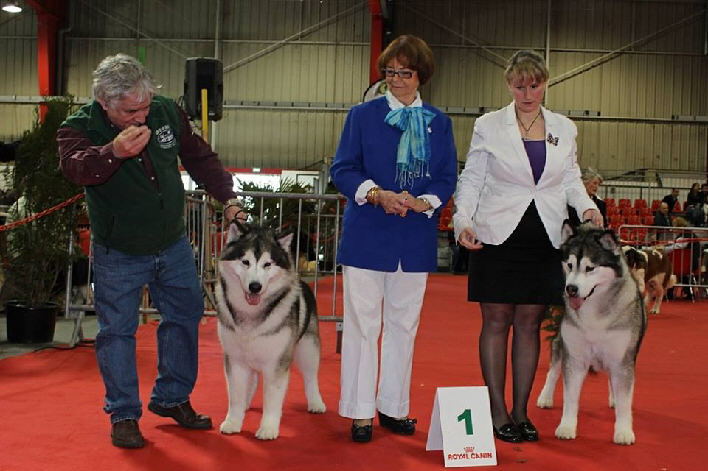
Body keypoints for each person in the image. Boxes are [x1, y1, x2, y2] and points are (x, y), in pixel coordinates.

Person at [57, 54, 245, 449]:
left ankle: (172, 397)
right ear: (104, 103)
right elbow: (75, 169)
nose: (142, 117)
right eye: (130, 111)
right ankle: (124, 413)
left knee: (186, 315)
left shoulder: (164, 112)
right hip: (118, 251)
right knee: (117, 333)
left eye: (145, 106)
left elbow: (199, 157)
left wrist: (228, 197)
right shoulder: (77, 127)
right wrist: (113, 152)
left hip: (173, 243)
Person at [452, 50, 602, 443]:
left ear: (545, 83)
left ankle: (521, 410)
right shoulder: (488, 125)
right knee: (496, 321)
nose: (527, 92)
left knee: (529, 324)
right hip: (497, 234)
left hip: (545, 237)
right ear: (509, 85)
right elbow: (471, 179)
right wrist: (462, 220)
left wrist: (587, 207)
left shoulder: (564, 128)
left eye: (534, 85)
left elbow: (571, 178)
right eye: (519, 85)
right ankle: (497, 410)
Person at [330, 35, 457, 443]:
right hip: (367, 234)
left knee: (404, 326)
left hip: (415, 238)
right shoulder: (362, 115)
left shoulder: (440, 122)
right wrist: (376, 194)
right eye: (390, 72)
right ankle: (360, 411)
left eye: (405, 72)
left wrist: (425, 202)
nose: (397, 80)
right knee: (363, 326)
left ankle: (393, 407)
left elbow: (446, 176)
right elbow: (342, 169)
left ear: (422, 76)